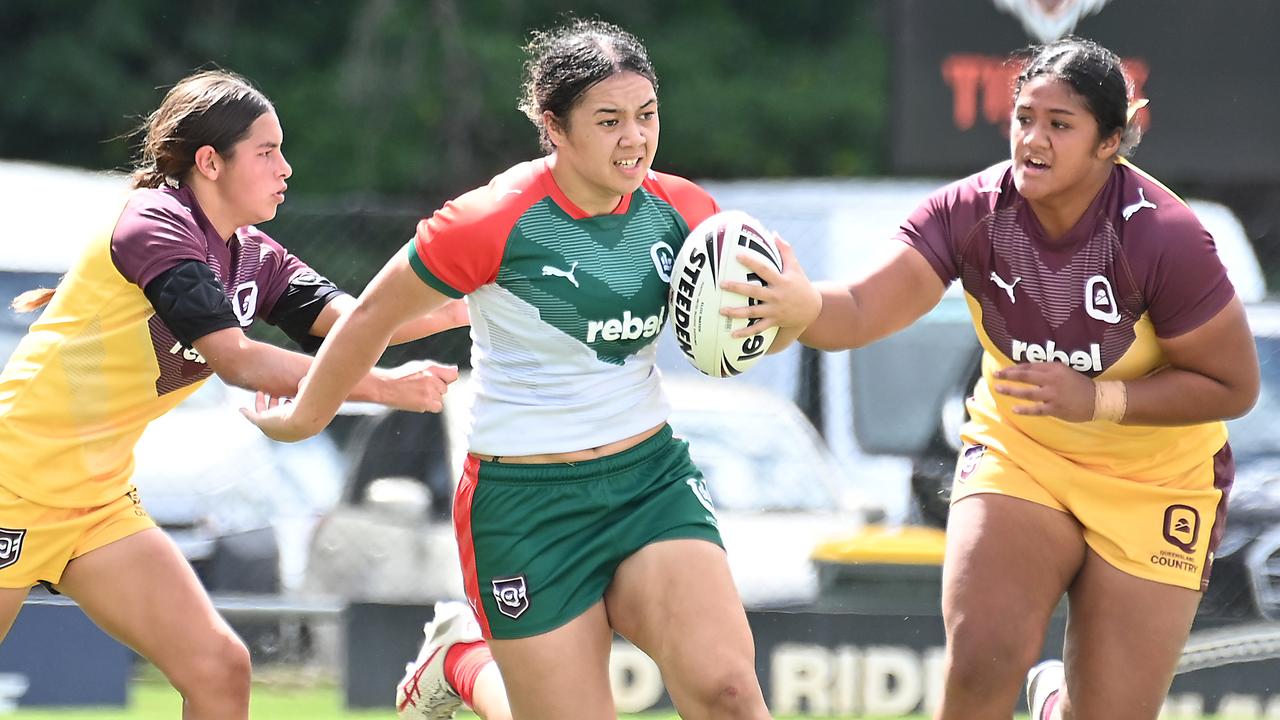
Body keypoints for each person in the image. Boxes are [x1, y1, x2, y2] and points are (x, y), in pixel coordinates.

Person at [245, 18, 773, 720]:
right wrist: (306, 417)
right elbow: (369, 317)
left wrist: (780, 315)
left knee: (730, 692)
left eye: (646, 116)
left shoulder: (685, 211)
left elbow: (768, 314)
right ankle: (461, 658)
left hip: (649, 482)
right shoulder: (488, 219)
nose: (635, 139)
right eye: (609, 120)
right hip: (524, 504)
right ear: (553, 127)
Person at [725, 37, 1260, 720]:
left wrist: (1096, 398)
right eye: (1024, 118)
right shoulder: (971, 211)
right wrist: (799, 307)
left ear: (1111, 143)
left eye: (1060, 125)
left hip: (1154, 482)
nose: (1033, 140)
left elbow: (1232, 387)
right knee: (982, 656)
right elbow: (861, 307)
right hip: (1023, 455)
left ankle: (1054, 704)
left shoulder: (1166, 236)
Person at [0, 69, 469, 720]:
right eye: (268, 151)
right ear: (209, 161)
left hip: (95, 503)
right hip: (12, 483)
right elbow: (238, 361)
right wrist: (381, 387)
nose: (287, 168)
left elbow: (361, 320)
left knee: (220, 669)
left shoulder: (252, 255)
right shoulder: (155, 225)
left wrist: (465, 304)